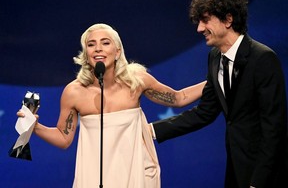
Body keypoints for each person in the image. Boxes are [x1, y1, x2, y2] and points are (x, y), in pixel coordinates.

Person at [17, 23, 206, 188]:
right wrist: (35, 127)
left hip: (135, 172)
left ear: (117, 51)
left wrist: (215, 79)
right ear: (86, 54)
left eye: (105, 43)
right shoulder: (74, 91)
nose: (98, 48)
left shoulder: (137, 81)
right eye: (91, 45)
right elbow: (64, 138)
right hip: (94, 175)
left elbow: (179, 98)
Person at [151, 0, 288, 188]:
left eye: (205, 20)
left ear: (228, 19)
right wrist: (151, 130)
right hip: (236, 168)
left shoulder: (263, 59)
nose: (199, 28)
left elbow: (274, 128)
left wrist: (258, 182)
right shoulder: (215, 58)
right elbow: (205, 112)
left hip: (263, 174)